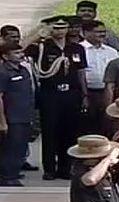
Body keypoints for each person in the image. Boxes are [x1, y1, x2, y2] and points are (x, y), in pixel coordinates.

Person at [27, 17, 88, 181]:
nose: (60, 30)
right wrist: (39, 34)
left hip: (71, 94)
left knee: (69, 132)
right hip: (51, 94)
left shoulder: (76, 48)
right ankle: (49, 169)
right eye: (56, 27)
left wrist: (84, 95)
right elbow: (21, 48)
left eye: (63, 27)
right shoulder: (41, 47)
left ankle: (65, 167)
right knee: (50, 132)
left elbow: (81, 72)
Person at [0, 43, 33, 186]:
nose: (20, 55)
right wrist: (2, 121)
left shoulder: (23, 70)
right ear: (5, 56)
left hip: (25, 114)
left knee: (20, 146)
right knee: (10, 147)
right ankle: (7, 176)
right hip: (11, 116)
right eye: (16, 53)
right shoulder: (3, 72)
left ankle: (13, 172)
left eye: (21, 52)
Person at [80, 20, 117, 136]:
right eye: (98, 32)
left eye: (103, 32)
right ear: (85, 33)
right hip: (88, 94)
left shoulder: (111, 51)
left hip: (108, 93)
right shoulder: (78, 49)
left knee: (106, 125)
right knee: (88, 126)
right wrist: (84, 96)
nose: (102, 34)